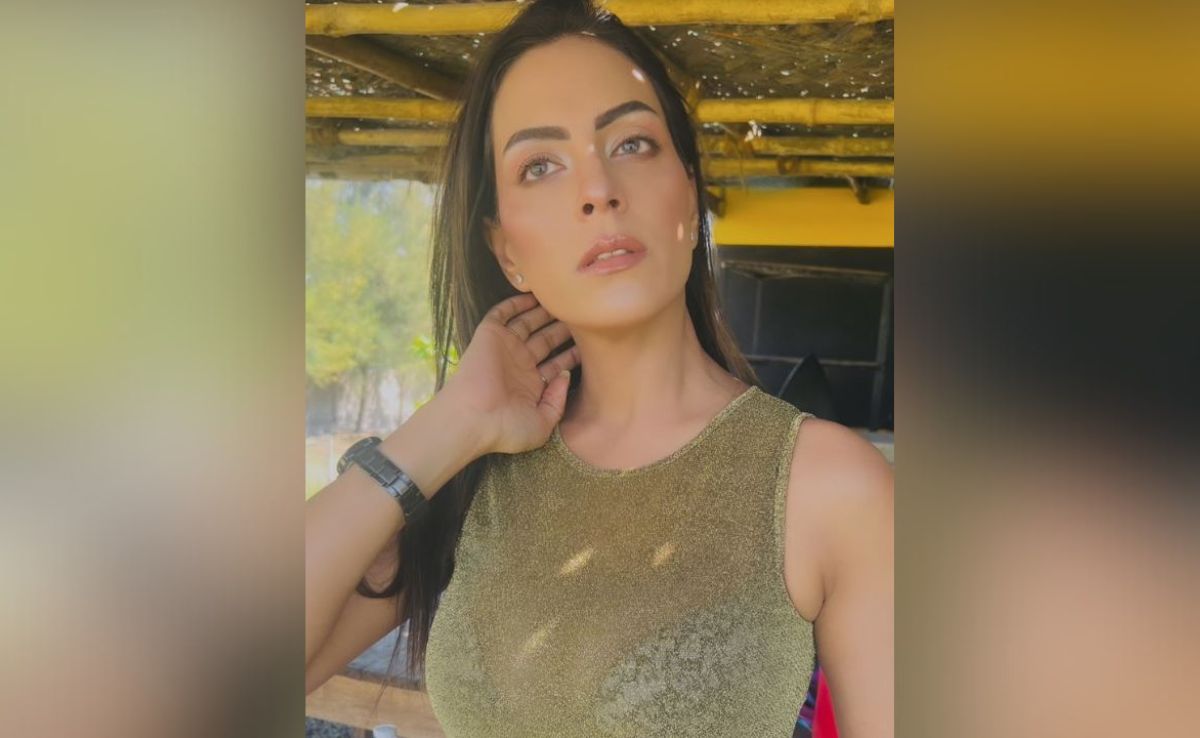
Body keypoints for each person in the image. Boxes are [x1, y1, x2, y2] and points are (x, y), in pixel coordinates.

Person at [305, 1, 893, 736]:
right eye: (540, 166)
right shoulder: (470, 471)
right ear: (506, 251)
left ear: (690, 194)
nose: (597, 190)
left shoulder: (828, 485)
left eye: (632, 143)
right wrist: (447, 425)